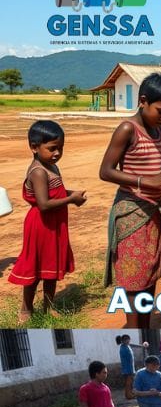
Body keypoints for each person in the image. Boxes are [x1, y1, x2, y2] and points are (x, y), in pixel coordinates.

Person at [99, 72, 161, 329]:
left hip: (154, 212)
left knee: (151, 273)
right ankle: (135, 329)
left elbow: (159, 162)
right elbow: (106, 171)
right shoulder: (127, 129)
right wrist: (146, 181)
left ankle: (145, 324)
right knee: (134, 279)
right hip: (132, 212)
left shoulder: (160, 131)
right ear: (143, 100)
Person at [7, 121, 85, 322]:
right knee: (36, 268)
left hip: (55, 223)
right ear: (34, 147)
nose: (57, 152)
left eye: (60, 148)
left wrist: (71, 195)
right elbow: (43, 204)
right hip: (41, 225)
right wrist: (71, 199)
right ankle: (26, 308)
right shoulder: (38, 171)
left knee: (51, 267)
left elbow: (55, 193)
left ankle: (48, 307)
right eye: (52, 148)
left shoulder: (52, 166)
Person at [116, 334, 135, 400]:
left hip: (130, 367)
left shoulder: (126, 346)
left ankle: (129, 394)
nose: (128, 341)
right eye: (127, 340)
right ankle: (128, 395)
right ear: (123, 340)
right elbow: (127, 358)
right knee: (128, 383)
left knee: (130, 382)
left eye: (128, 339)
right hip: (127, 368)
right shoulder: (123, 348)